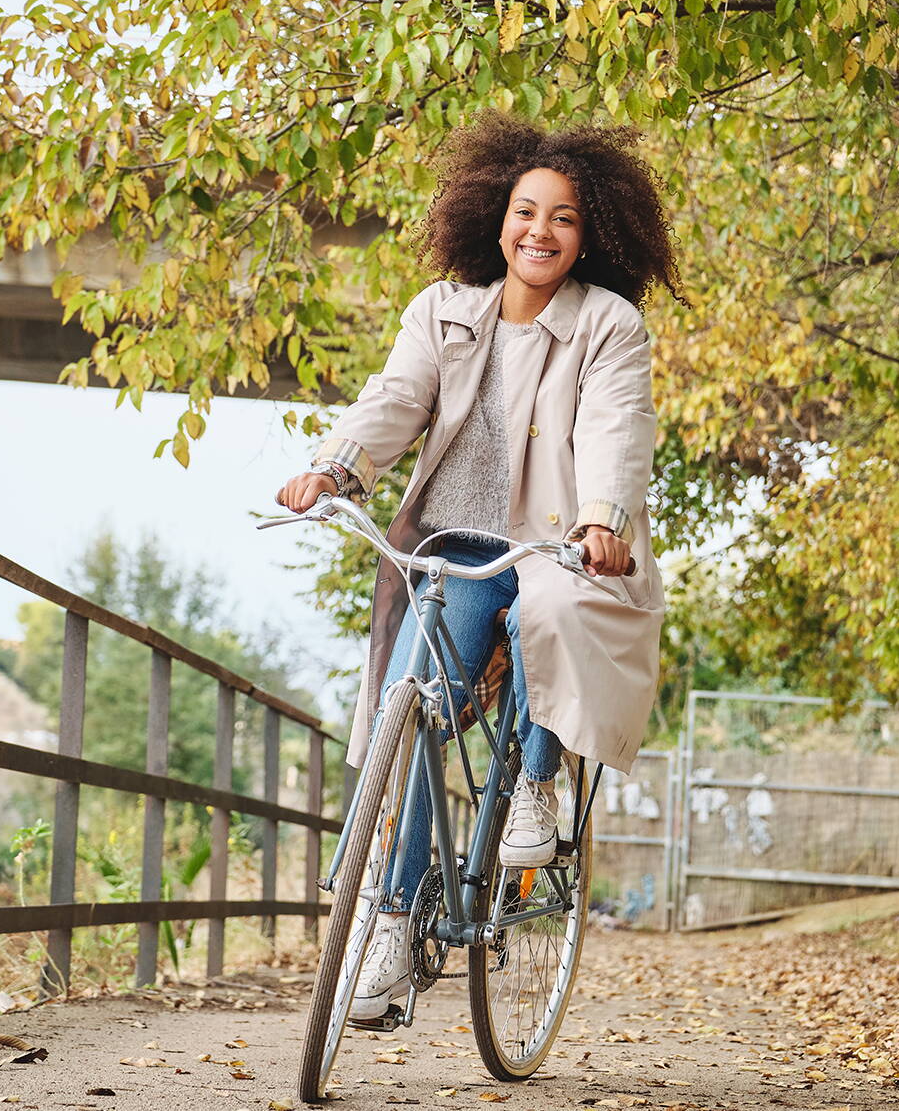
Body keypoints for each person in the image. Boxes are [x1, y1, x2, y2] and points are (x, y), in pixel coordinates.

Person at [276, 112, 683, 1019]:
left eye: (564, 218)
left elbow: (618, 428)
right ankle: (388, 928)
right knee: (411, 709)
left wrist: (602, 519)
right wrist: (337, 466)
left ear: (592, 235)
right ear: (495, 218)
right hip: (456, 545)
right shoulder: (444, 311)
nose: (540, 231)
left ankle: (535, 781)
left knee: (558, 615)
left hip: (559, 543)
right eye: (525, 211)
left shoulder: (608, 326)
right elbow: (392, 401)